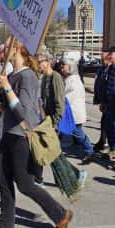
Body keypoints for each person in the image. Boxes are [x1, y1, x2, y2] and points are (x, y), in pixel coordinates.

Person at [0, 43, 72, 228]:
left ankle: (61, 214)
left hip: (22, 136)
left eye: (4, 49)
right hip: (8, 134)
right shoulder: (11, 75)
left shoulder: (28, 76)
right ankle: (6, 225)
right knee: (3, 178)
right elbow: (10, 108)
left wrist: (7, 87)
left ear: (15, 49)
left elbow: (22, 112)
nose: (1, 53)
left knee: (25, 184)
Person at [35, 52, 66, 185]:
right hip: (45, 120)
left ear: (48, 62)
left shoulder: (56, 77)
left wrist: (55, 123)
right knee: (49, 150)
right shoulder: (44, 79)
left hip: (52, 122)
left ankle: (67, 178)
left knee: (51, 151)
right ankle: (63, 178)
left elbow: (60, 102)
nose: (38, 65)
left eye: (40, 62)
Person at [60, 59, 94, 164]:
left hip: (74, 113)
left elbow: (69, 97)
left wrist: (59, 99)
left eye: (64, 65)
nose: (61, 67)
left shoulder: (74, 80)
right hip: (70, 112)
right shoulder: (69, 79)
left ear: (71, 67)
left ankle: (89, 150)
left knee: (78, 133)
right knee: (70, 131)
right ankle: (69, 148)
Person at [93, 48, 110, 152]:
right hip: (103, 100)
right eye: (101, 58)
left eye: (104, 58)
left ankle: (107, 143)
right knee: (103, 121)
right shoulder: (101, 69)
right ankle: (102, 141)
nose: (102, 60)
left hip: (109, 101)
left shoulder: (111, 70)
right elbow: (99, 84)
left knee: (108, 123)